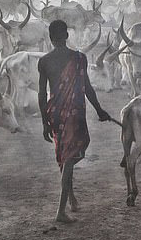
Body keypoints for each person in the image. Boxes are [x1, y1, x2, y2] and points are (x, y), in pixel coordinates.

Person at [38, 20, 111, 223]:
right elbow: (87, 87)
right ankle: (61, 211)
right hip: (74, 115)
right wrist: (99, 110)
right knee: (69, 159)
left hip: (55, 114)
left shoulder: (44, 61)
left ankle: (72, 200)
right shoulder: (79, 58)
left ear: (51, 39)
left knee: (65, 156)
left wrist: (45, 121)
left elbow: (42, 95)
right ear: (67, 36)